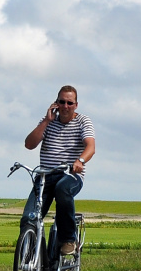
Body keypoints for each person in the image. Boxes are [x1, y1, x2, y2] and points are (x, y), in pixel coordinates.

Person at [23, 85, 95, 255]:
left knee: (62, 189)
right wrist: (47, 121)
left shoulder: (83, 121)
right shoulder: (48, 121)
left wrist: (80, 160)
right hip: (45, 176)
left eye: (69, 103)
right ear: (55, 103)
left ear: (76, 105)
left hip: (70, 175)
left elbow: (91, 146)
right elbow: (29, 144)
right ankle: (35, 262)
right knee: (29, 218)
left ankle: (69, 239)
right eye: (61, 102)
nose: (65, 106)